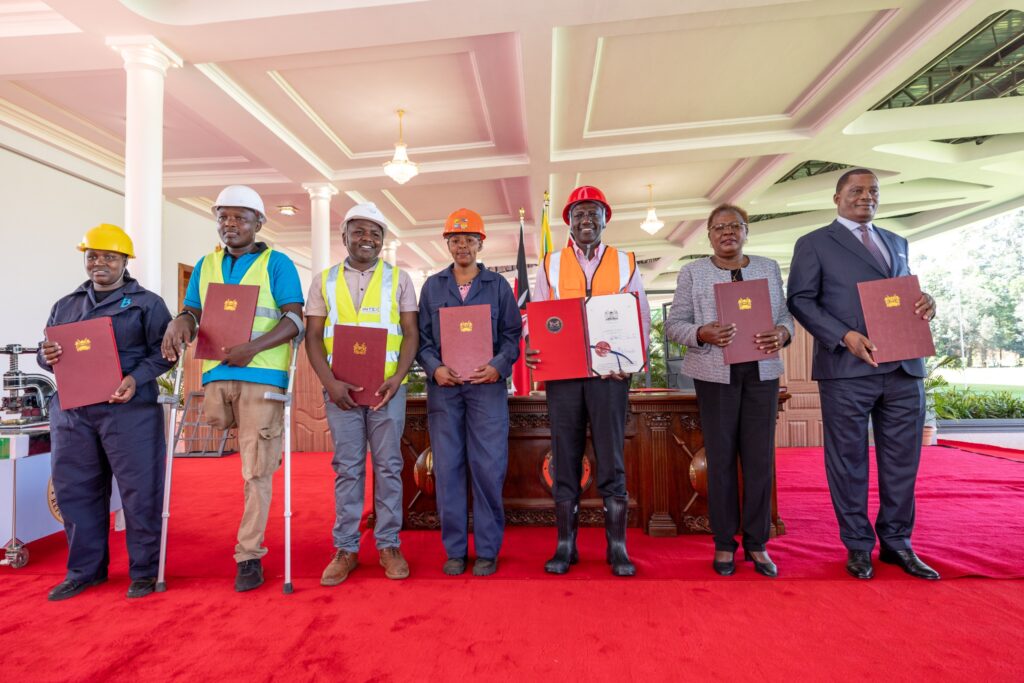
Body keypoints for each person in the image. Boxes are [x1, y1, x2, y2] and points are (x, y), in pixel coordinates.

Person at [787, 168, 940, 580]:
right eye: (856, 191)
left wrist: (925, 301)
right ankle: (857, 545)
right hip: (847, 369)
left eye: (873, 191)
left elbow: (899, 293)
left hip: (906, 367)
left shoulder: (896, 241)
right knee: (848, 461)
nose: (866, 197)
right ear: (836, 197)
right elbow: (800, 300)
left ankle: (897, 543)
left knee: (902, 461)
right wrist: (843, 336)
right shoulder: (814, 243)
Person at [161, 185, 304, 592]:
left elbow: (294, 320)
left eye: (240, 217)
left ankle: (248, 554)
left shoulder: (277, 263)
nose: (230, 224)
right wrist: (180, 321)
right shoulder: (206, 264)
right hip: (216, 377)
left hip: (262, 376)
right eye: (223, 216)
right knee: (223, 435)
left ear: (259, 222)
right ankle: (263, 447)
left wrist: (253, 349)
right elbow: (193, 310)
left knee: (255, 469)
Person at [39, 224, 173, 600]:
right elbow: (48, 349)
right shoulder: (66, 304)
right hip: (73, 412)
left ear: (125, 262)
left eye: (109, 257)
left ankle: (144, 571)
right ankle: (85, 571)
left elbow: (164, 354)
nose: (99, 263)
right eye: (92, 256)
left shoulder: (147, 303)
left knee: (139, 491)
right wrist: (44, 356)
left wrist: (135, 378)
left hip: (128, 409)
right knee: (75, 491)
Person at [527, 185, 651, 577]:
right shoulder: (550, 263)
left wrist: (632, 360)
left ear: (604, 219)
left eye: (593, 213)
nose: (586, 220)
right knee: (565, 456)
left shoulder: (625, 261)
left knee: (612, 457)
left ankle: (617, 547)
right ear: (569, 221)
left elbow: (641, 314)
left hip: (610, 375)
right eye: (578, 214)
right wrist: (533, 345)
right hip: (563, 375)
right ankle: (566, 546)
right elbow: (537, 316)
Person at [664, 205, 793, 578]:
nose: (727, 233)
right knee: (719, 461)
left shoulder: (768, 268)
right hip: (714, 375)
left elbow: (784, 316)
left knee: (759, 460)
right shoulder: (693, 272)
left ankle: (757, 543)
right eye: (719, 228)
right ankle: (723, 543)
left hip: (761, 372)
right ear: (709, 236)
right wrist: (701, 333)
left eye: (734, 226)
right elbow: (674, 325)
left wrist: (783, 333)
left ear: (746, 231)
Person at [304, 202, 419, 585]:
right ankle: (346, 547)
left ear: (383, 240)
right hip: (342, 392)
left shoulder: (399, 279)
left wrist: (399, 377)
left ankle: (387, 543)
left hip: (387, 389)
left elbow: (411, 334)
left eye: (374, 233)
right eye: (358, 231)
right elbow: (314, 336)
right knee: (348, 468)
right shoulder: (323, 280)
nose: (366, 239)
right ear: (345, 236)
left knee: (389, 466)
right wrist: (329, 383)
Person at [416, 208, 521, 576]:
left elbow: (512, 336)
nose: (463, 245)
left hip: (486, 389)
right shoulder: (432, 286)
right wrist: (435, 368)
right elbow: (422, 340)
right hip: (445, 391)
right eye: (456, 239)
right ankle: (456, 550)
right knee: (448, 470)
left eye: (469, 239)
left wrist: (498, 365)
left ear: (480, 244)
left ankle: (489, 549)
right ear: (448, 244)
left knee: (488, 468)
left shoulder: (498, 286)